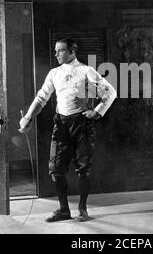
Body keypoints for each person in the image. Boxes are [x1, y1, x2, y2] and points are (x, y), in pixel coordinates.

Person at [19, 37, 117, 222]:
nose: (56, 54)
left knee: (83, 168)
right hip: (62, 126)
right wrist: (28, 118)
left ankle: (82, 209)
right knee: (55, 169)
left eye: (61, 50)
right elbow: (42, 98)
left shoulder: (86, 71)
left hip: (82, 126)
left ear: (72, 51)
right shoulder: (54, 73)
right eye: (56, 50)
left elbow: (110, 92)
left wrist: (97, 112)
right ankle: (64, 210)